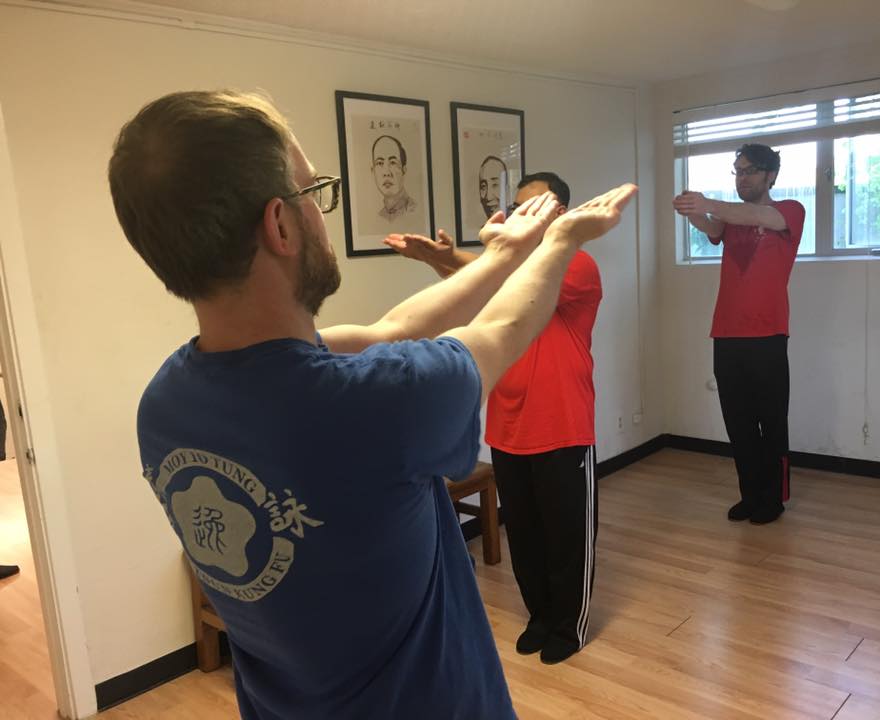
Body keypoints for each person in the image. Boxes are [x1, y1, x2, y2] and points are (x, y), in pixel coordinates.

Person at [108, 90, 636, 720]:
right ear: (280, 224)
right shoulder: (377, 402)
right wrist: (560, 238)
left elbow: (391, 328)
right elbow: (497, 335)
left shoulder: (164, 404)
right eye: (316, 192)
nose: (322, 210)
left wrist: (500, 255)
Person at [386, 171, 603, 665]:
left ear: (561, 215)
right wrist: (441, 263)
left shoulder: (579, 264)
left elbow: (511, 275)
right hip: (508, 427)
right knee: (523, 534)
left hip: (564, 425)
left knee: (568, 535)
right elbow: (482, 289)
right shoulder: (507, 267)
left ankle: (570, 624)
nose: (526, 216)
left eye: (538, 208)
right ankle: (540, 616)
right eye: (519, 207)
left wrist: (453, 260)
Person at [672, 143, 805, 525]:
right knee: (739, 422)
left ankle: (773, 499)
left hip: (768, 335)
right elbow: (715, 226)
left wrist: (707, 201)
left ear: (770, 176)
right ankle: (750, 495)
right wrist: (690, 211)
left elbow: (748, 213)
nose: (742, 178)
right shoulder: (731, 219)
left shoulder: (789, 211)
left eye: (749, 171)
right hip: (726, 334)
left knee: (772, 421)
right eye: (738, 171)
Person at [371, 134, 416, 221]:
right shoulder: (380, 216)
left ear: (404, 170)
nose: (386, 173)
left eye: (393, 162)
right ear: (373, 171)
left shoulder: (414, 210)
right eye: (380, 163)